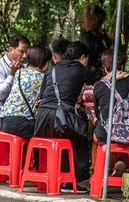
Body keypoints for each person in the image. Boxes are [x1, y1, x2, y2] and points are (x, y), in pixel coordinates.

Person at [34, 41, 92, 190]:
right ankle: (71, 180)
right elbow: (101, 82)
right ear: (82, 57)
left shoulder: (52, 69)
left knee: (66, 136)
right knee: (79, 137)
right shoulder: (80, 69)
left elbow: (42, 95)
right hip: (59, 118)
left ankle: (42, 174)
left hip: (42, 119)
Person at [92, 48, 129, 145]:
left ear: (104, 68)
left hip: (106, 134)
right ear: (122, 66)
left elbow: (98, 114)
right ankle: (123, 159)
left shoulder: (99, 85)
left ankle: (99, 160)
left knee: (96, 136)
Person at [0, 45, 51, 139]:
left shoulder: (19, 73)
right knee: (51, 130)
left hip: (4, 121)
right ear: (43, 63)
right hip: (21, 123)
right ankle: (36, 153)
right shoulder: (43, 78)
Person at [0, 34, 30, 131]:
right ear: (10, 50)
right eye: (21, 51)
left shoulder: (25, 67)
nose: (25, 56)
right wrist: (12, 74)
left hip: (18, 113)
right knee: (23, 126)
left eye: (27, 52)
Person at [80, 3, 111, 80]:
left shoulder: (89, 36)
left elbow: (88, 57)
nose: (84, 19)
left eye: (86, 16)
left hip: (92, 75)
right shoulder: (105, 35)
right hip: (106, 73)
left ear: (92, 19)